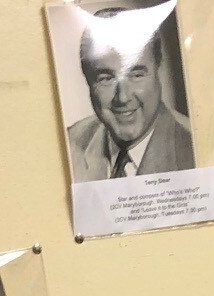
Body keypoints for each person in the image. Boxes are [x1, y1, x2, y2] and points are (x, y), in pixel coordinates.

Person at [67, 5, 196, 182]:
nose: (123, 97)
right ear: (88, 81)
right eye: (106, 78)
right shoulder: (69, 143)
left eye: (136, 75)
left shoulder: (198, 146)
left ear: (158, 69)